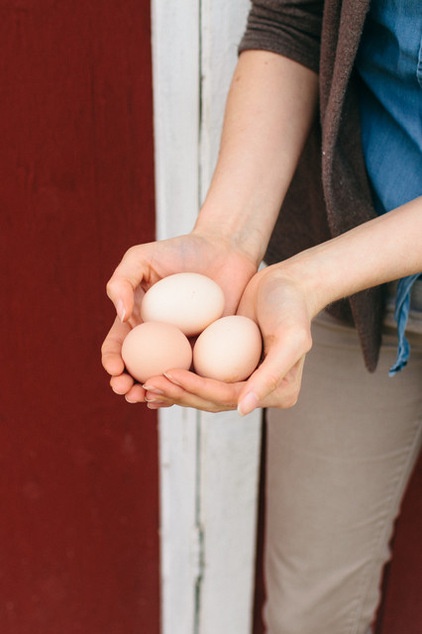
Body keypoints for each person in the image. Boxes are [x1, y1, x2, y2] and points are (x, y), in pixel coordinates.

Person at [102, 0, 422, 632]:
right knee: (310, 615)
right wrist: (228, 240)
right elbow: (293, 21)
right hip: (347, 291)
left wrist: (305, 277)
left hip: (324, 274)